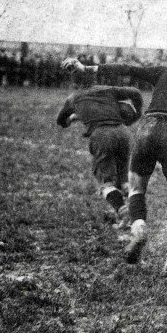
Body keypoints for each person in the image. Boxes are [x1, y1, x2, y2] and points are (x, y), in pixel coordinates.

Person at [63, 52, 167, 267]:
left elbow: (128, 68)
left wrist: (87, 68)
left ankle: (139, 229)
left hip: (147, 128)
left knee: (136, 189)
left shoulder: (166, 71)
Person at [56, 85, 143, 227]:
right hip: (123, 133)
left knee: (106, 183)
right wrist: (136, 114)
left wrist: (72, 118)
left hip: (102, 135)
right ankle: (137, 213)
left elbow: (61, 121)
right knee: (123, 180)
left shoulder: (73, 98)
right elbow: (136, 92)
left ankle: (124, 213)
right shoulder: (105, 90)